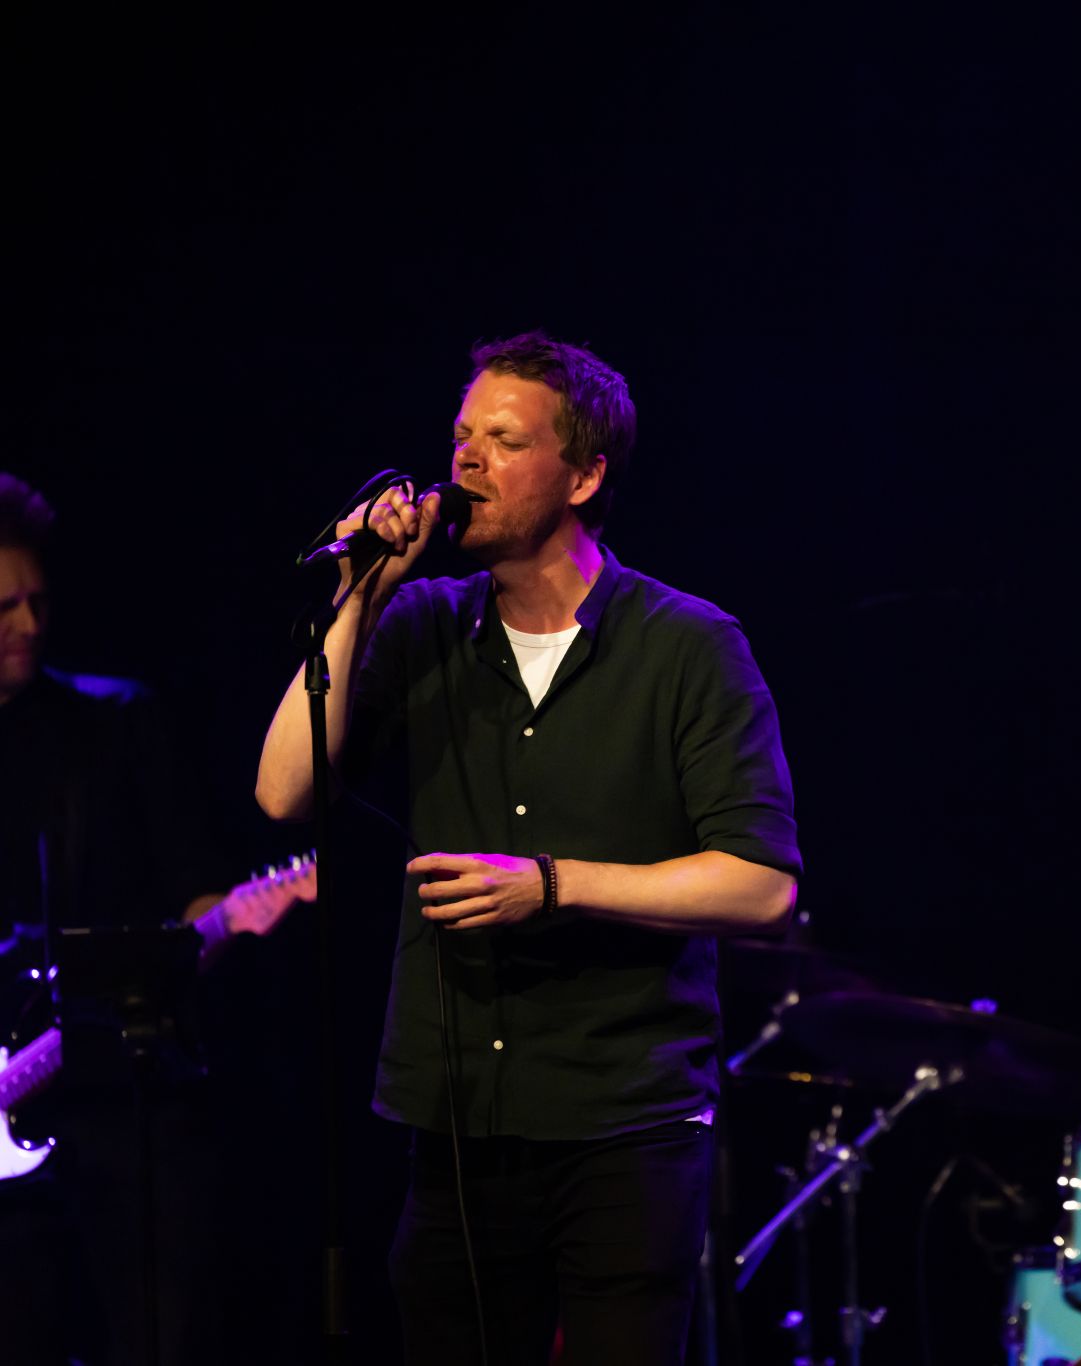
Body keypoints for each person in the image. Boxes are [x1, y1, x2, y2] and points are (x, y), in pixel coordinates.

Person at [255, 331, 801, 1366]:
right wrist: (363, 591)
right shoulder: (420, 623)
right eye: (461, 436)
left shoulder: (687, 645)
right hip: (459, 1116)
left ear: (584, 475)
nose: (465, 461)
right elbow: (284, 790)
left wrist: (551, 886)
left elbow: (760, 885)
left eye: (504, 441)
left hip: (626, 1121)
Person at [0, 472, 306, 1365]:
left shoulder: (116, 721)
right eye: (4, 607)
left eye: (38, 601)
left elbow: (199, 895)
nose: (29, 623)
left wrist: (224, 925)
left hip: (126, 1106)